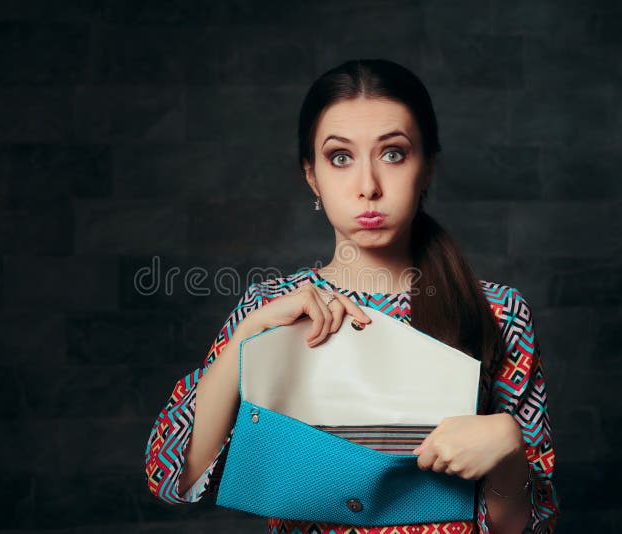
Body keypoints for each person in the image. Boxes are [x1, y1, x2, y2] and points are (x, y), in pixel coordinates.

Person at [144, 58, 560, 533]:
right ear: (311, 176)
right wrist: (248, 335)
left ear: (428, 168)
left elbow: (529, 529)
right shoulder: (273, 308)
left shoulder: (498, 312)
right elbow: (172, 477)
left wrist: (508, 451)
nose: (368, 187)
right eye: (340, 157)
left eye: (394, 154)